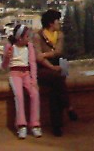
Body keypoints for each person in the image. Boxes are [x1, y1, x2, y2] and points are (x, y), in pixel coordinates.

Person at [34, 9, 77, 137]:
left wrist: (45, 55)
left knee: (55, 92)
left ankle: (57, 126)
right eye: (57, 20)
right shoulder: (38, 36)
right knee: (58, 79)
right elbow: (38, 58)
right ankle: (68, 107)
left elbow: (58, 52)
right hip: (45, 68)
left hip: (56, 66)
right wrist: (52, 67)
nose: (59, 22)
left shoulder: (59, 35)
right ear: (51, 23)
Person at [2, 24, 41, 139]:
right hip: (15, 73)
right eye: (27, 36)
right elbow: (4, 66)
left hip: (26, 73)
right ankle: (21, 125)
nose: (28, 38)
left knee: (34, 94)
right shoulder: (10, 46)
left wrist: (34, 79)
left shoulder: (29, 47)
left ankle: (35, 125)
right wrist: (7, 57)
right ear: (20, 38)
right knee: (18, 96)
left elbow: (32, 63)